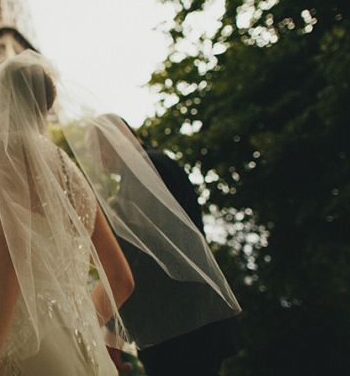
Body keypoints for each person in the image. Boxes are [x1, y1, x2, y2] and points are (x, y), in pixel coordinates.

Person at [0, 51, 135, 376]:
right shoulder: (74, 176)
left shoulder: (0, 147)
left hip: (27, 349)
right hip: (85, 352)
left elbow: (10, 249)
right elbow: (122, 280)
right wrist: (75, 323)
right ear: (45, 106)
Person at [87, 114, 240, 376]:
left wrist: (110, 333)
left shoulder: (145, 171)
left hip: (181, 331)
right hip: (187, 325)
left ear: (111, 141)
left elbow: (143, 258)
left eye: (96, 152)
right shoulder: (153, 165)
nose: (99, 163)